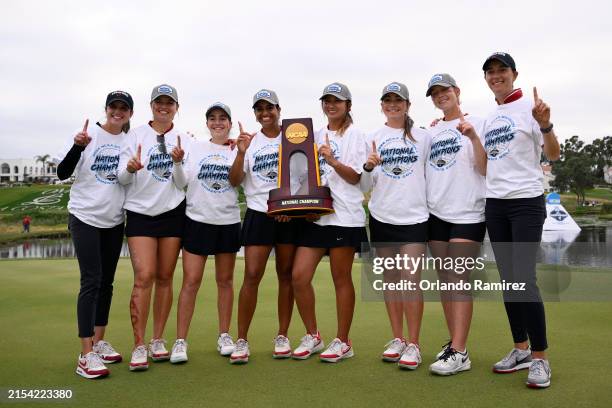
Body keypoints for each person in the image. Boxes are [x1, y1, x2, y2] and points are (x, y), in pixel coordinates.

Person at [481, 52, 560, 388]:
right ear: (486, 78)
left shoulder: (531, 108)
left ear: (514, 74)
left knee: (524, 279)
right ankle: (521, 349)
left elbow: (553, 154)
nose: (496, 75)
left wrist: (545, 124)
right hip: (495, 205)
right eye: (491, 72)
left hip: (526, 203)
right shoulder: (489, 117)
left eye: (502, 70)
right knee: (509, 282)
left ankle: (541, 358)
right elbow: (486, 163)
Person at [57, 90, 134, 379]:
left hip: (114, 220)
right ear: (106, 109)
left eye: (123, 108)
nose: (118, 112)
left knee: (107, 283)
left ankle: (99, 342)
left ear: (129, 113)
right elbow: (62, 172)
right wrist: (78, 147)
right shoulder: (88, 136)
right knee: (91, 281)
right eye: (113, 107)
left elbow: (127, 177)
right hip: (85, 216)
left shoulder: (128, 141)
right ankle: (85, 354)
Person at [290, 82, 367, 363]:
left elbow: (356, 177)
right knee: (299, 276)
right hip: (316, 216)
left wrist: (332, 160)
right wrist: (305, 205)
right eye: (327, 101)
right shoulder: (314, 134)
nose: (331, 105)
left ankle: (343, 341)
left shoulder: (356, 135)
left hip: (344, 216)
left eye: (337, 101)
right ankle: (313, 335)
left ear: (348, 105)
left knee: (340, 278)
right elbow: (302, 173)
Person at [360, 82, 431, 369]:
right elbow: (364, 184)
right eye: (387, 100)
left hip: (414, 217)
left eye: (398, 100)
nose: (393, 105)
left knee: (410, 281)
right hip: (381, 216)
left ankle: (414, 344)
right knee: (391, 282)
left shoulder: (423, 137)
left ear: (407, 105)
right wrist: (368, 166)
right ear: (381, 105)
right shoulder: (372, 137)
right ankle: (398, 338)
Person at [227, 89, 301, 364]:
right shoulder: (250, 142)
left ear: (279, 109)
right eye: (259, 109)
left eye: (269, 108)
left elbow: (305, 175)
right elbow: (235, 181)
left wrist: (290, 205)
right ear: (255, 114)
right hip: (259, 213)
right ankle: (242, 340)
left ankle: (282, 336)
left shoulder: (295, 136)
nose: (265, 113)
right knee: (252, 275)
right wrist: (240, 153)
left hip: (288, 215)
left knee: (286, 275)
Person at [118, 84, 187, 371]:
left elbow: (183, 183)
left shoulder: (184, 138)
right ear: (151, 106)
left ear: (176, 107)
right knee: (144, 276)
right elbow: (122, 179)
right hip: (140, 213)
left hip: (172, 212)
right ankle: (139, 344)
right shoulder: (133, 135)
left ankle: (158, 339)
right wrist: (130, 169)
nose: (164, 107)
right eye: (159, 102)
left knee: (165, 277)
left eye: (169, 102)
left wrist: (179, 162)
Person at [424, 74, 487, 375]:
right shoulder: (433, 130)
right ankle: (455, 344)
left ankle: (460, 353)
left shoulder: (478, 122)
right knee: (446, 282)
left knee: (458, 280)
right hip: (436, 213)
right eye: (435, 93)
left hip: (468, 212)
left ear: (457, 92)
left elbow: (484, 166)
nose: (440, 96)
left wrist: (473, 136)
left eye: (444, 91)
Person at [170, 102, 240, 362]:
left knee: (225, 282)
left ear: (230, 123)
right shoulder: (195, 147)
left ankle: (224, 335)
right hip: (197, 220)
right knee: (191, 282)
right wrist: (177, 163)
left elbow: (238, 179)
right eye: (212, 118)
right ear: (207, 123)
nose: (218, 122)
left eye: (223, 118)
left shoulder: (236, 149)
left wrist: (243, 147)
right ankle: (180, 341)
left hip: (227, 220)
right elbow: (180, 182)